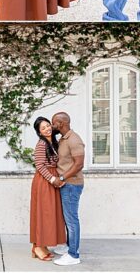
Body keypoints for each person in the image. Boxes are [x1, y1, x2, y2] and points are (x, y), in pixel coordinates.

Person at [30, 116, 67, 262]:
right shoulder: (41, 144)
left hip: (53, 179)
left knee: (49, 214)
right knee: (43, 213)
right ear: (39, 132)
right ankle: (37, 247)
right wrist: (52, 179)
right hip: (44, 181)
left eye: (48, 125)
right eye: (43, 128)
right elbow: (39, 165)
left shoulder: (53, 142)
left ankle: (42, 245)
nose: (47, 129)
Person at [51, 111, 85, 267]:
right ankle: (69, 247)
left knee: (72, 220)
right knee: (68, 219)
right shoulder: (63, 139)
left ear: (61, 123)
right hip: (66, 184)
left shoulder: (74, 140)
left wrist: (62, 178)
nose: (52, 126)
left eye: (54, 123)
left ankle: (73, 255)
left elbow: (79, 164)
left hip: (71, 184)